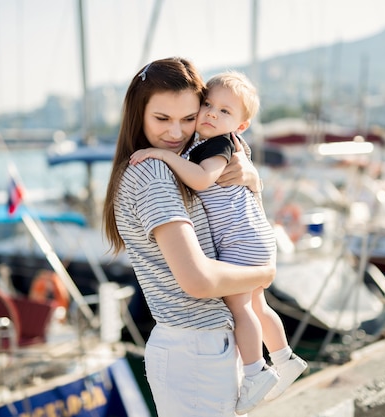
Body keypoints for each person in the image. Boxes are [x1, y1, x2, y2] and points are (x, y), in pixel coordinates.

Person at [103, 58, 276, 417]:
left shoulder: (178, 163)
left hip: (201, 344)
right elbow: (196, 280)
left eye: (188, 118)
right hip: (192, 346)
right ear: (139, 115)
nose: (176, 133)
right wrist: (265, 273)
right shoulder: (152, 171)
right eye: (162, 119)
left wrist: (252, 183)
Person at [129, 70, 307, 414]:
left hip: (241, 239)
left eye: (224, 111)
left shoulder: (218, 145)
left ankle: (256, 371)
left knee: (242, 308)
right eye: (208, 104)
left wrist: (164, 155)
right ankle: (284, 358)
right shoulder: (222, 144)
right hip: (251, 235)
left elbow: (200, 180)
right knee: (256, 304)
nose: (211, 113)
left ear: (240, 125)